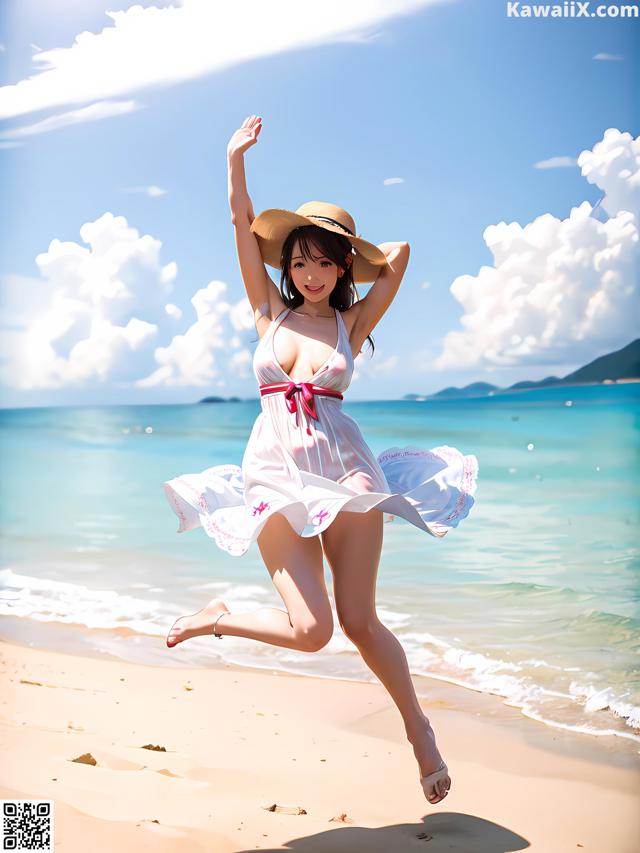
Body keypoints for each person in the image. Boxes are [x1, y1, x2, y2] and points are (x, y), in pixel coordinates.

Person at [163, 115, 479, 805]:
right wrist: (233, 159)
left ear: (340, 270)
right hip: (276, 478)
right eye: (299, 259)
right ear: (287, 267)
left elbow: (398, 257)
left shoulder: (350, 322)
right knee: (312, 631)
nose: (308, 272)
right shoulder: (265, 310)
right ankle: (216, 616)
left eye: (324, 261)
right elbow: (241, 219)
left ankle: (419, 730)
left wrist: (357, 248)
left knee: (360, 621)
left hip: (348, 477)